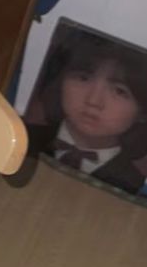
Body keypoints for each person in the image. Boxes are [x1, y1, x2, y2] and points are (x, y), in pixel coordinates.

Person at [26, 27, 147, 195]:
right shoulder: (19, 138)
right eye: (83, 78)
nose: (93, 101)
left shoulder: (136, 185)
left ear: (142, 111)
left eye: (119, 91)